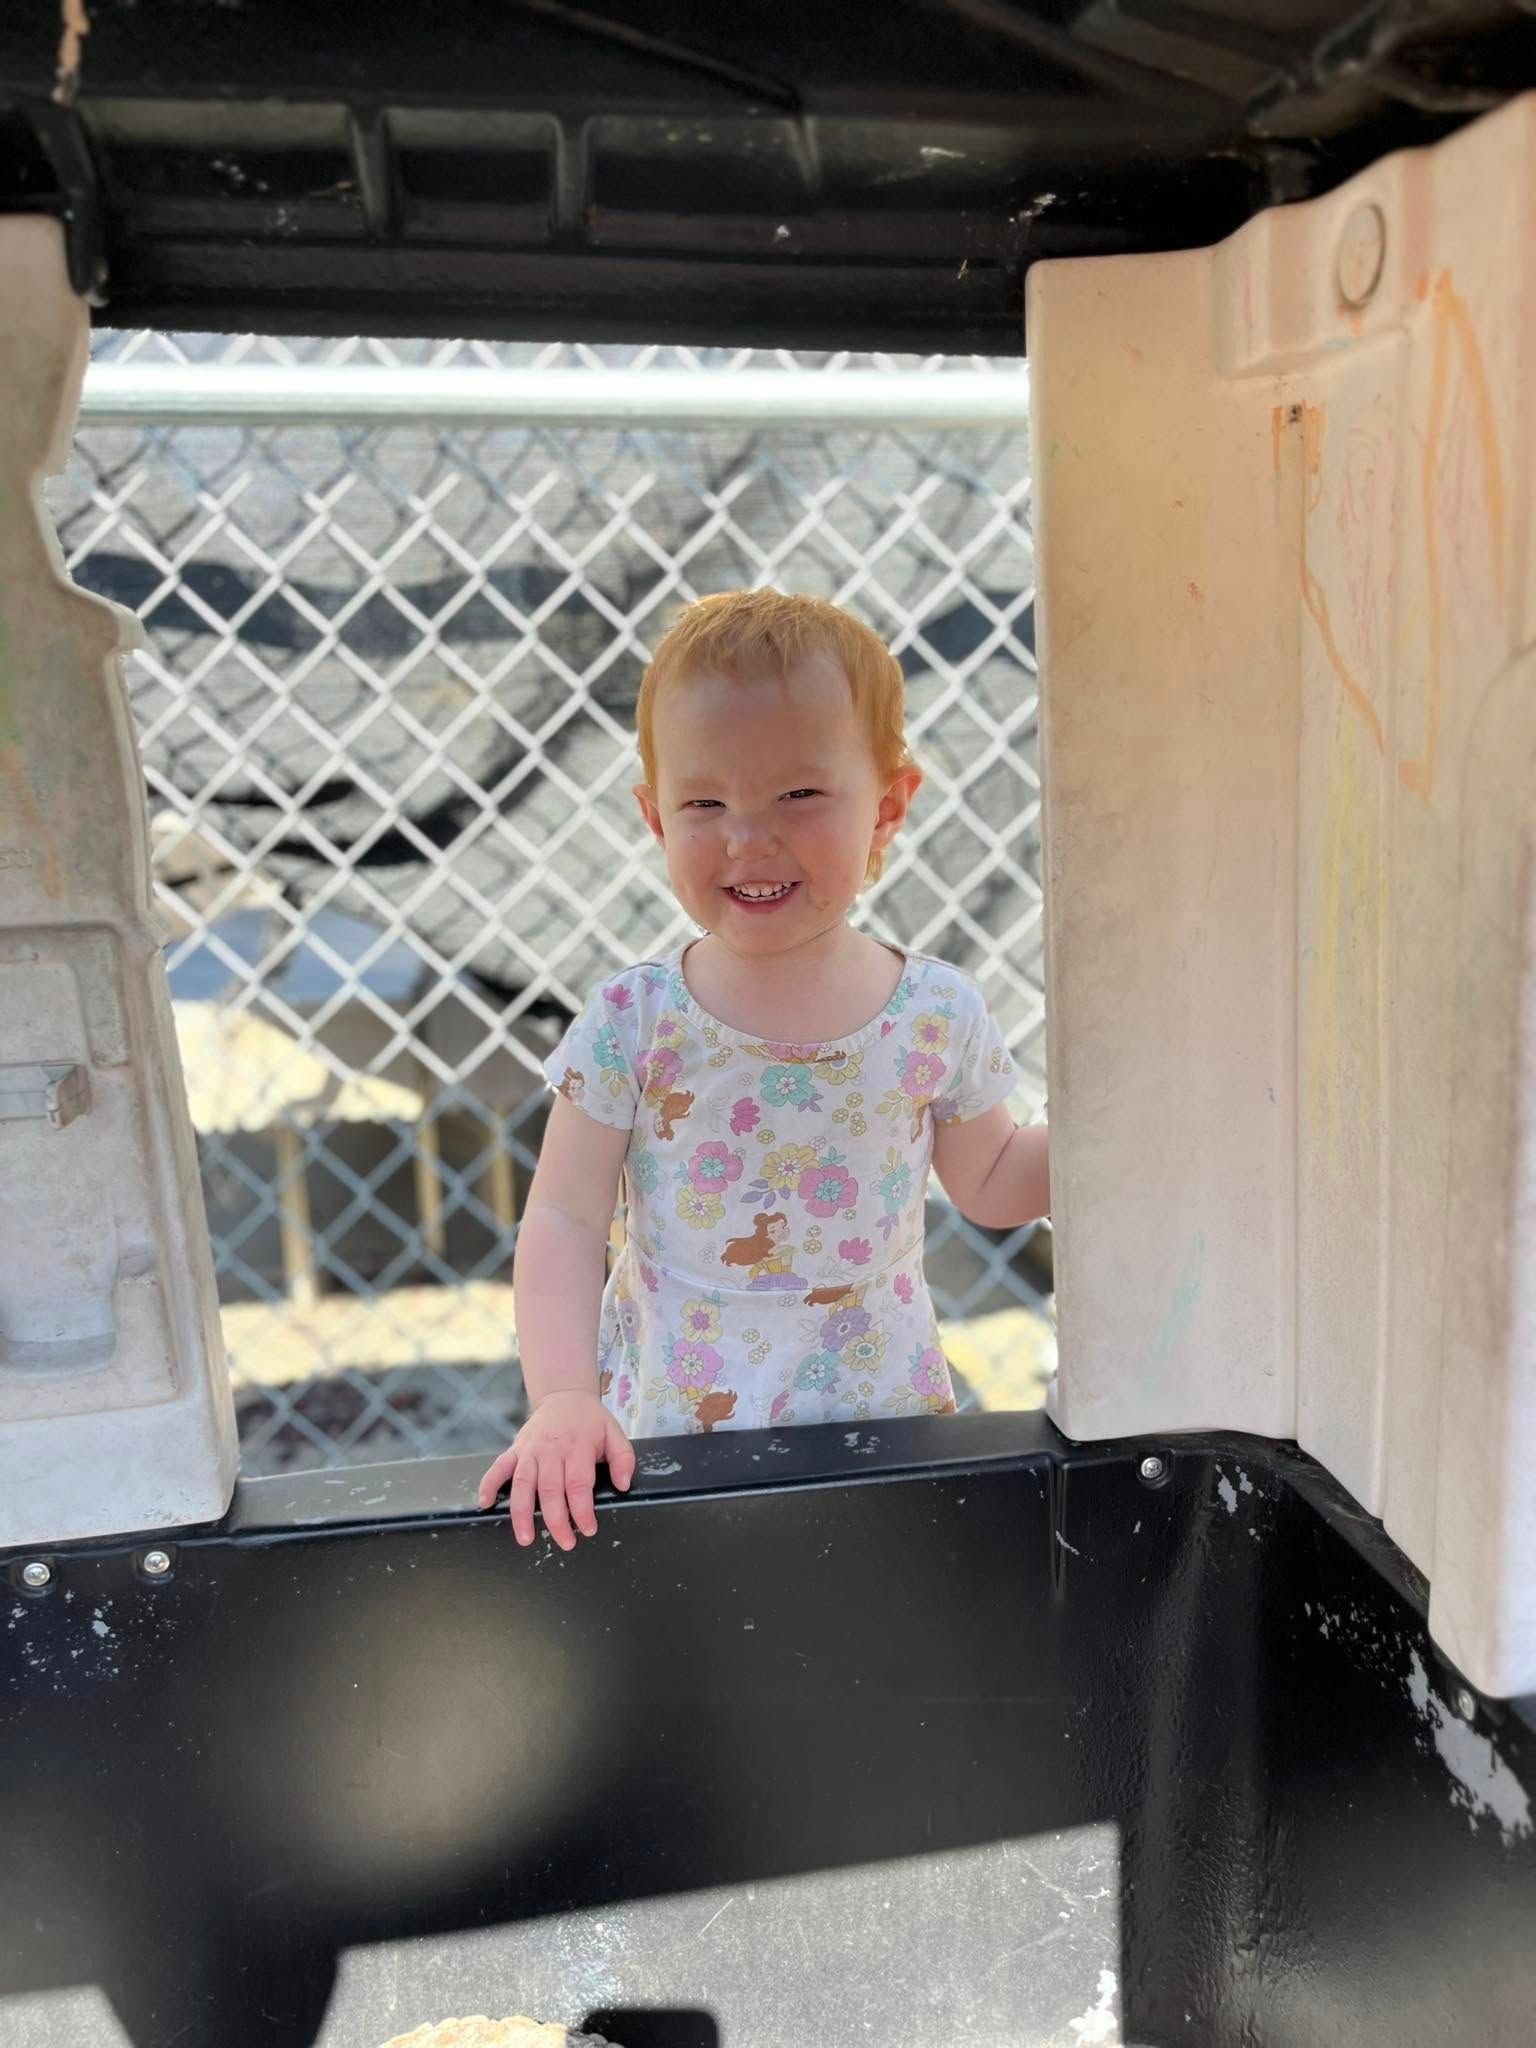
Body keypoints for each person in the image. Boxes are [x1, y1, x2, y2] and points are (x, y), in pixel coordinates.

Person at [477, 589, 1050, 1547]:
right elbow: (567, 1218)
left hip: (879, 1427)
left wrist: (1116, 1132)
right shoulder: (635, 1019)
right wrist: (565, 1398)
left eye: (798, 794)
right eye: (706, 802)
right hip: (671, 1441)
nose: (749, 834)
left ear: (890, 806)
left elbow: (992, 1183)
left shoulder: (934, 1013)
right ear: (656, 819)